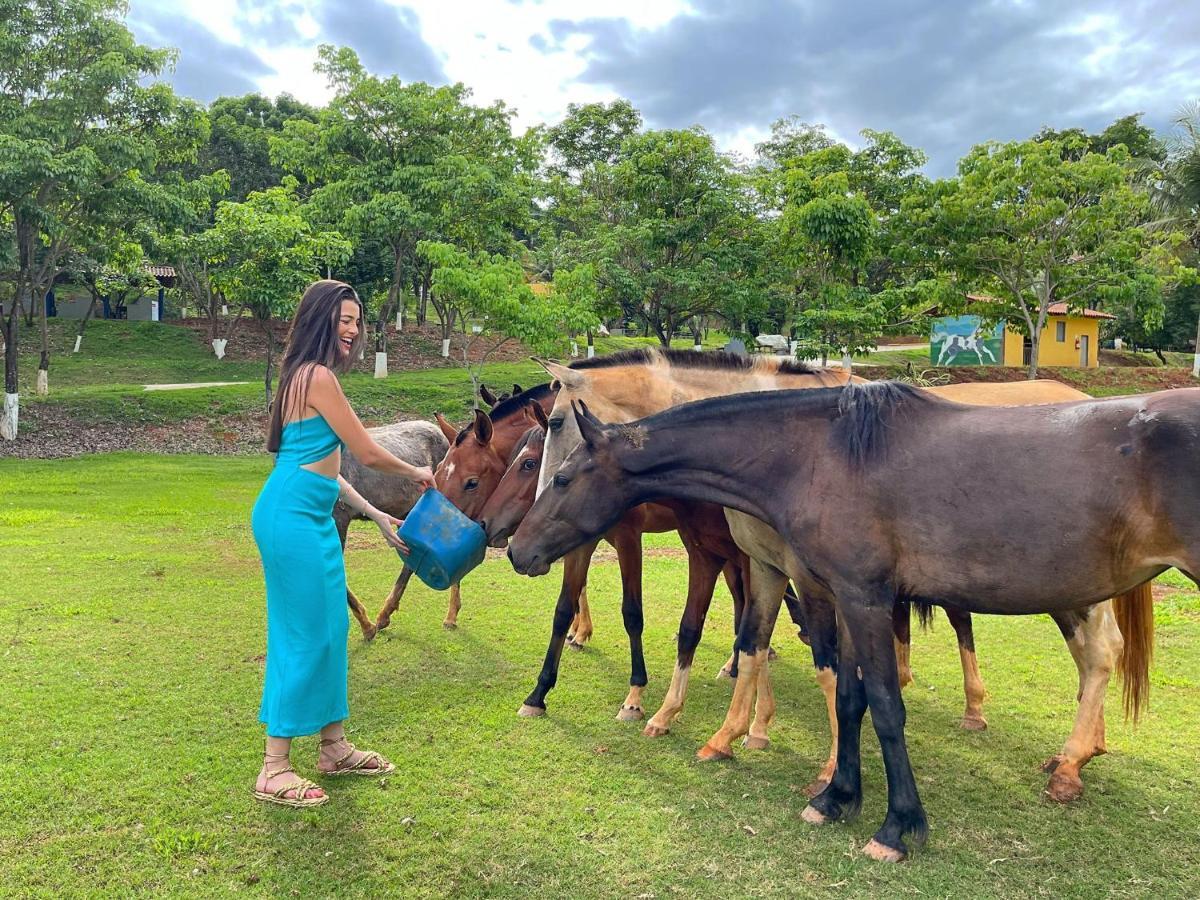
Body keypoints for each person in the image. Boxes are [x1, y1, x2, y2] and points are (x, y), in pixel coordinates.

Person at [250, 280, 436, 808]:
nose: (352, 329)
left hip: (308, 511)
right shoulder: (317, 376)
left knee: (331, 627)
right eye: (344, 319)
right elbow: (367, 451)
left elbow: (330, 467)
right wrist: (418, 472)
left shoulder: (300, 377)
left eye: (357, 320)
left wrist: (376, 514)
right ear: (319, 320)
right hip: (291, 518)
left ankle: (333, 748)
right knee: (302, 634)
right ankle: (273, 767)